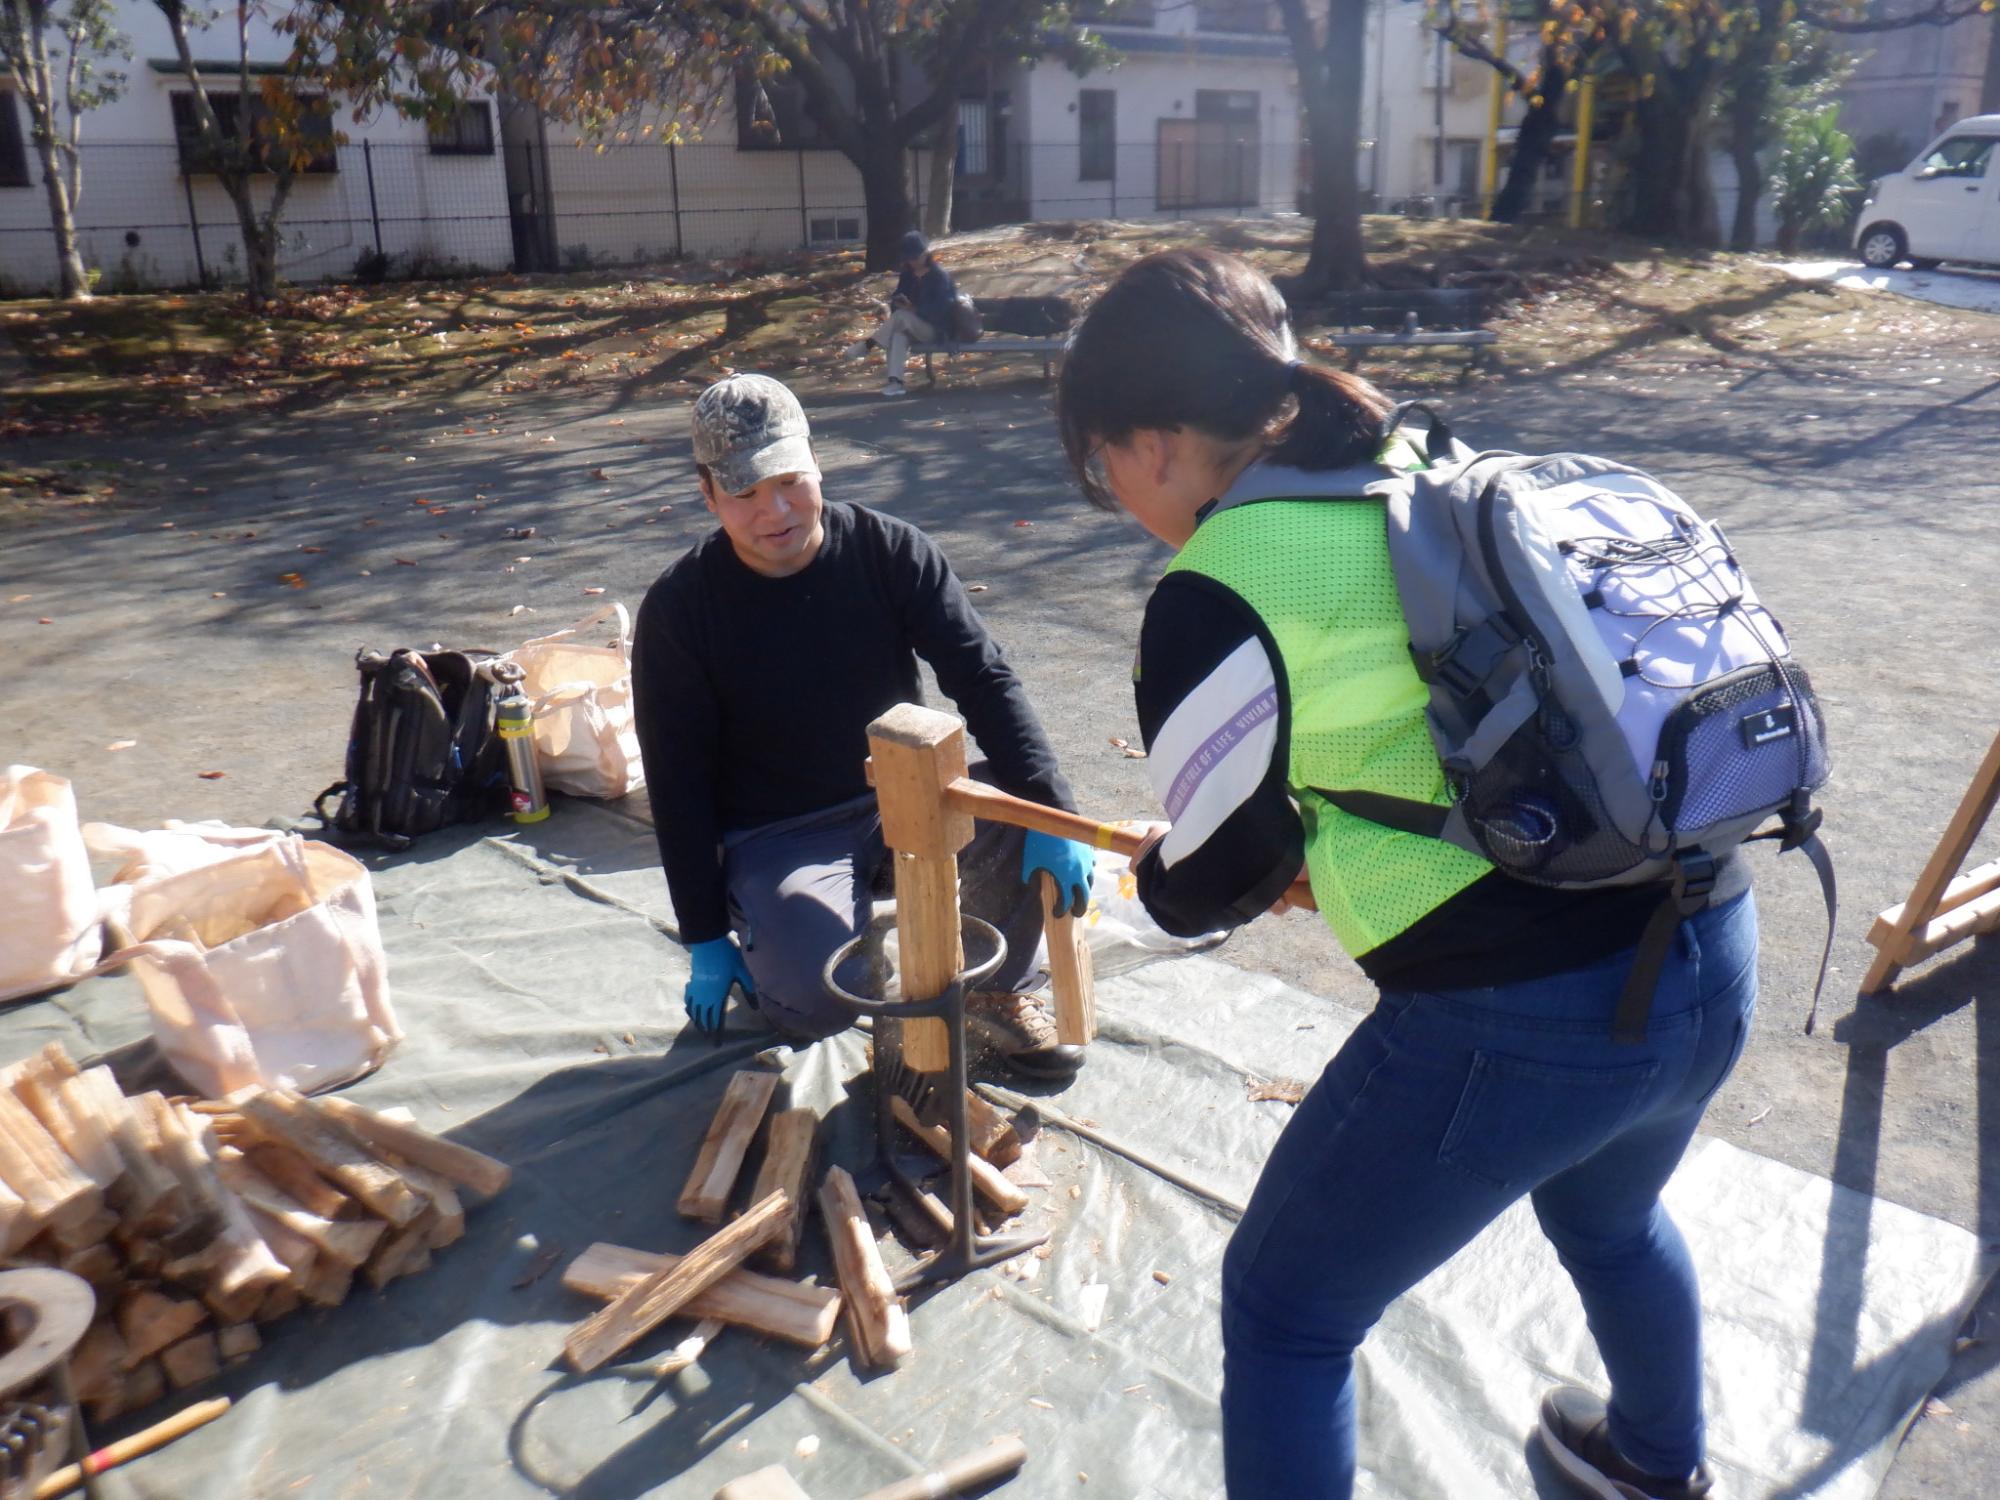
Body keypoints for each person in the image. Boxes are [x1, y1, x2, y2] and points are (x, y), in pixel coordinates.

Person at [1055, 247, 1755, 1500]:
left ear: (1151, 442)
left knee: (1283, 1311)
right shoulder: (1422, 460)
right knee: (1607, 1218)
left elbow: (1218, 874)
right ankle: (1655, 1464)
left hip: (1523, 1020)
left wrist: (1165, 876)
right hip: (1706, 944)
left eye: (1100, 465)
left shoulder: (1218, 584)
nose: (1111, 494)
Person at [631, 372, 1089, 1080]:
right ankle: (782, 934)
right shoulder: (680, 608)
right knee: (819, 1001)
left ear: (816, 464)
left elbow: (984, 679)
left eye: (789, 480)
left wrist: (1053, 814)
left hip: (907, 792)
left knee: (1018, 808)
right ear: (708, 494)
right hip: (780, 830)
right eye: (744, 493)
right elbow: (676, 779)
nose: (775, 510)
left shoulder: (889, 551)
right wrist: (703, 933)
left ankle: (996, 990)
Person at [844, 230, 958, 398]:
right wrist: (898, 302)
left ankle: (867, 346)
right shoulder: (908, 275)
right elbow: (898, 297)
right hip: (911, 326)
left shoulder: (939, 276)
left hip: (936, 330)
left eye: (915, 258)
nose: (912, 262)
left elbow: (943, 309)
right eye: (909, 258)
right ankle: (895, 383)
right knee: (898, 334)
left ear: (925, 254)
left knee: (901, 317)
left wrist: (915, 309)